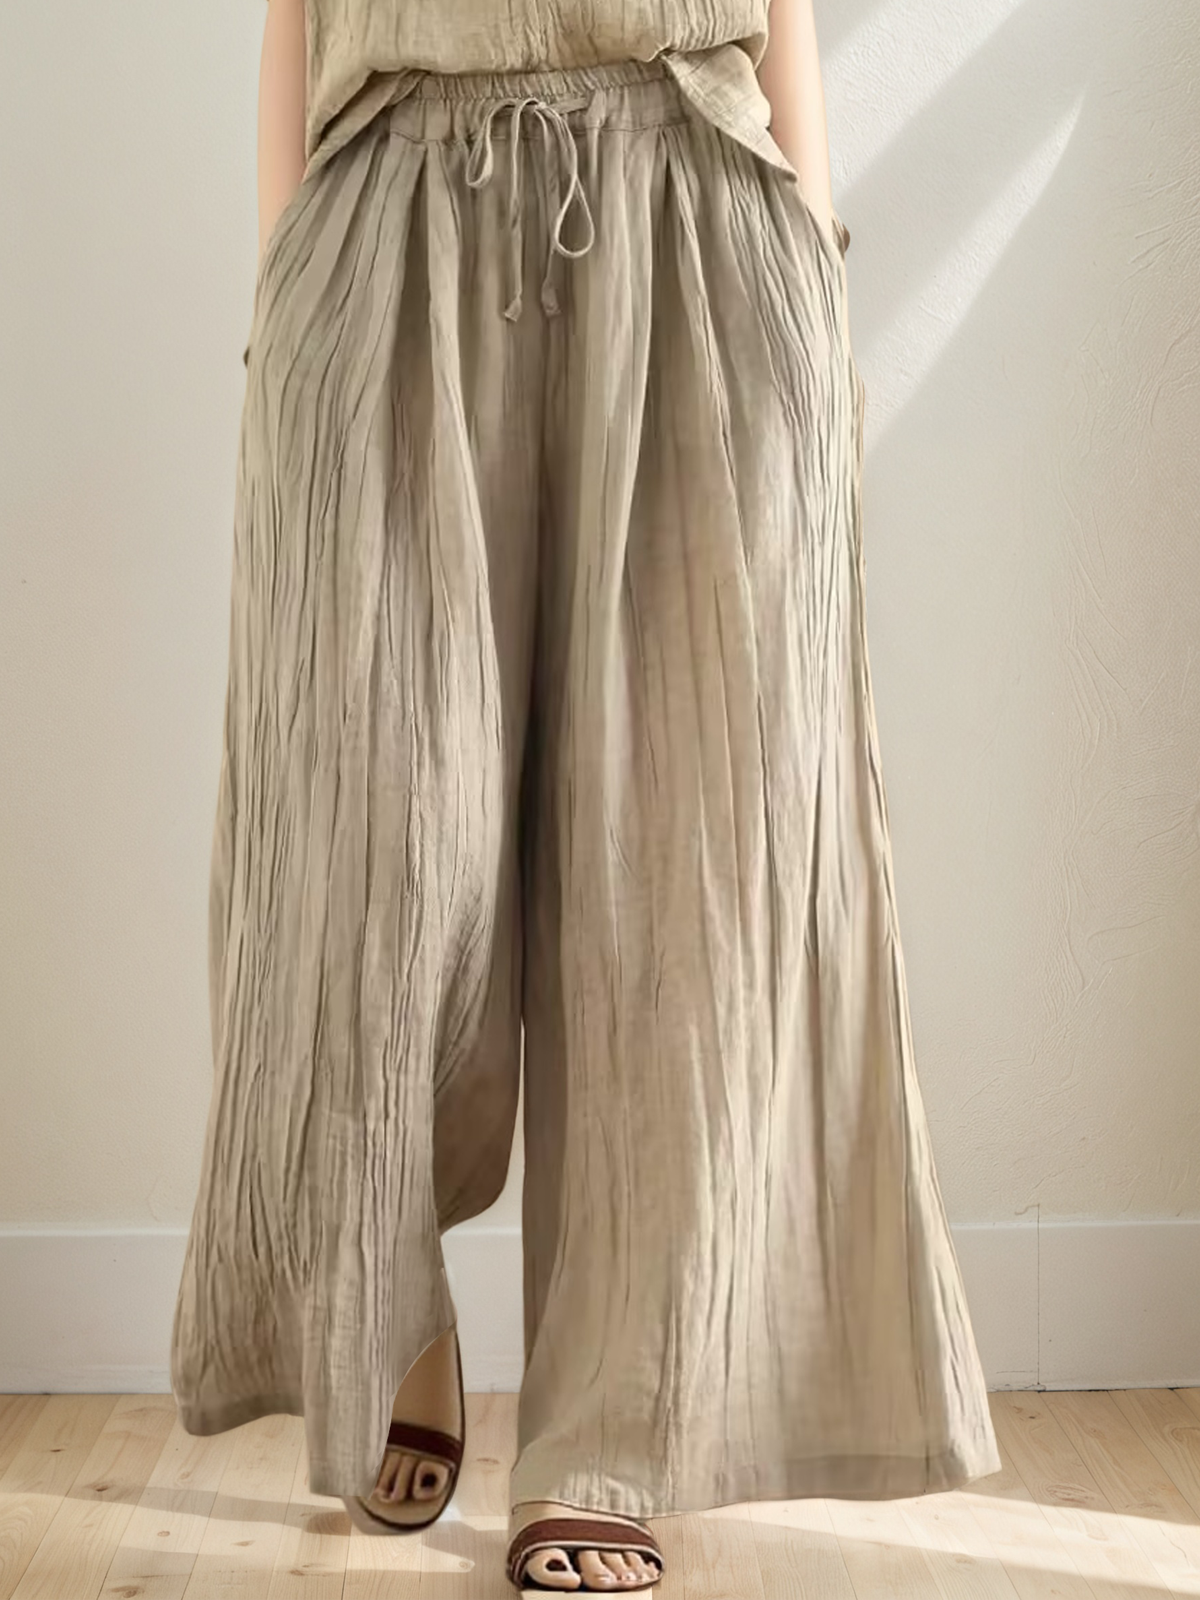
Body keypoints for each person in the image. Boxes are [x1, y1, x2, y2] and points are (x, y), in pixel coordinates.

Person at [169, 0, 1003, 1591]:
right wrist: (283, 293)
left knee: (683, 874)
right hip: (391, 220)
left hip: (697, 215)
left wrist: (815, 267)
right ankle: (383, 1324)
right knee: (368, 851)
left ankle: (610, 1434)